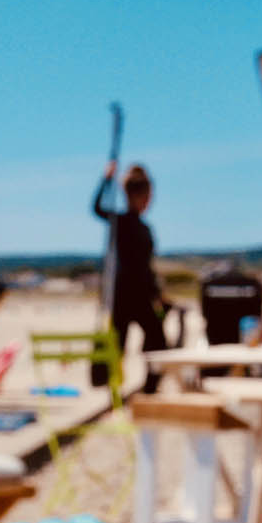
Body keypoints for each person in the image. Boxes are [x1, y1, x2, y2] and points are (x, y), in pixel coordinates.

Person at [92, 162, 167, 394]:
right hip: (124, 294)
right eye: (147, 196)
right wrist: (106, 180)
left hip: (141, 294)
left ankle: (150, 385)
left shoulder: (145, 228)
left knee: (156, 340)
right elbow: (97, 208)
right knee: (119, 344)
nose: (149, 202)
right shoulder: (121, 222)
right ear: (135, 196)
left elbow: (147, 267)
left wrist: (158, 294)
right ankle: (115, 389)